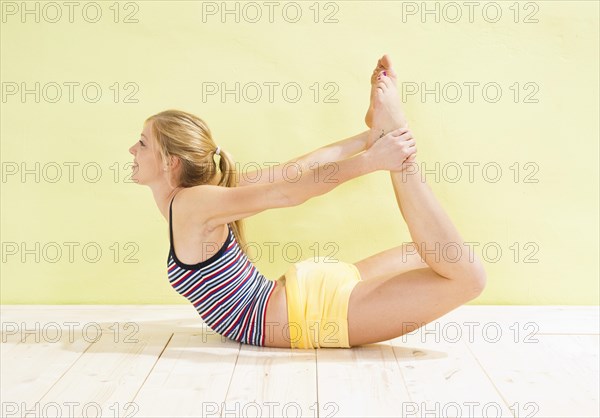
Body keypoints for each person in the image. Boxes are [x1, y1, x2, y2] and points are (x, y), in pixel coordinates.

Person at [128, 55, 486, 349]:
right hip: (302, 298)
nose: (132, 149)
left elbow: (288, 186)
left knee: (465, 276)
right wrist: (370, 143)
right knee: (439, 258)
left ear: (169, 161)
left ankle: (397, 146)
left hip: (304, 314)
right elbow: (293, 173)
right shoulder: (205, 197)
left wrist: (372, 154)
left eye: (142, 143)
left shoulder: (192, 202)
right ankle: (392, 135)